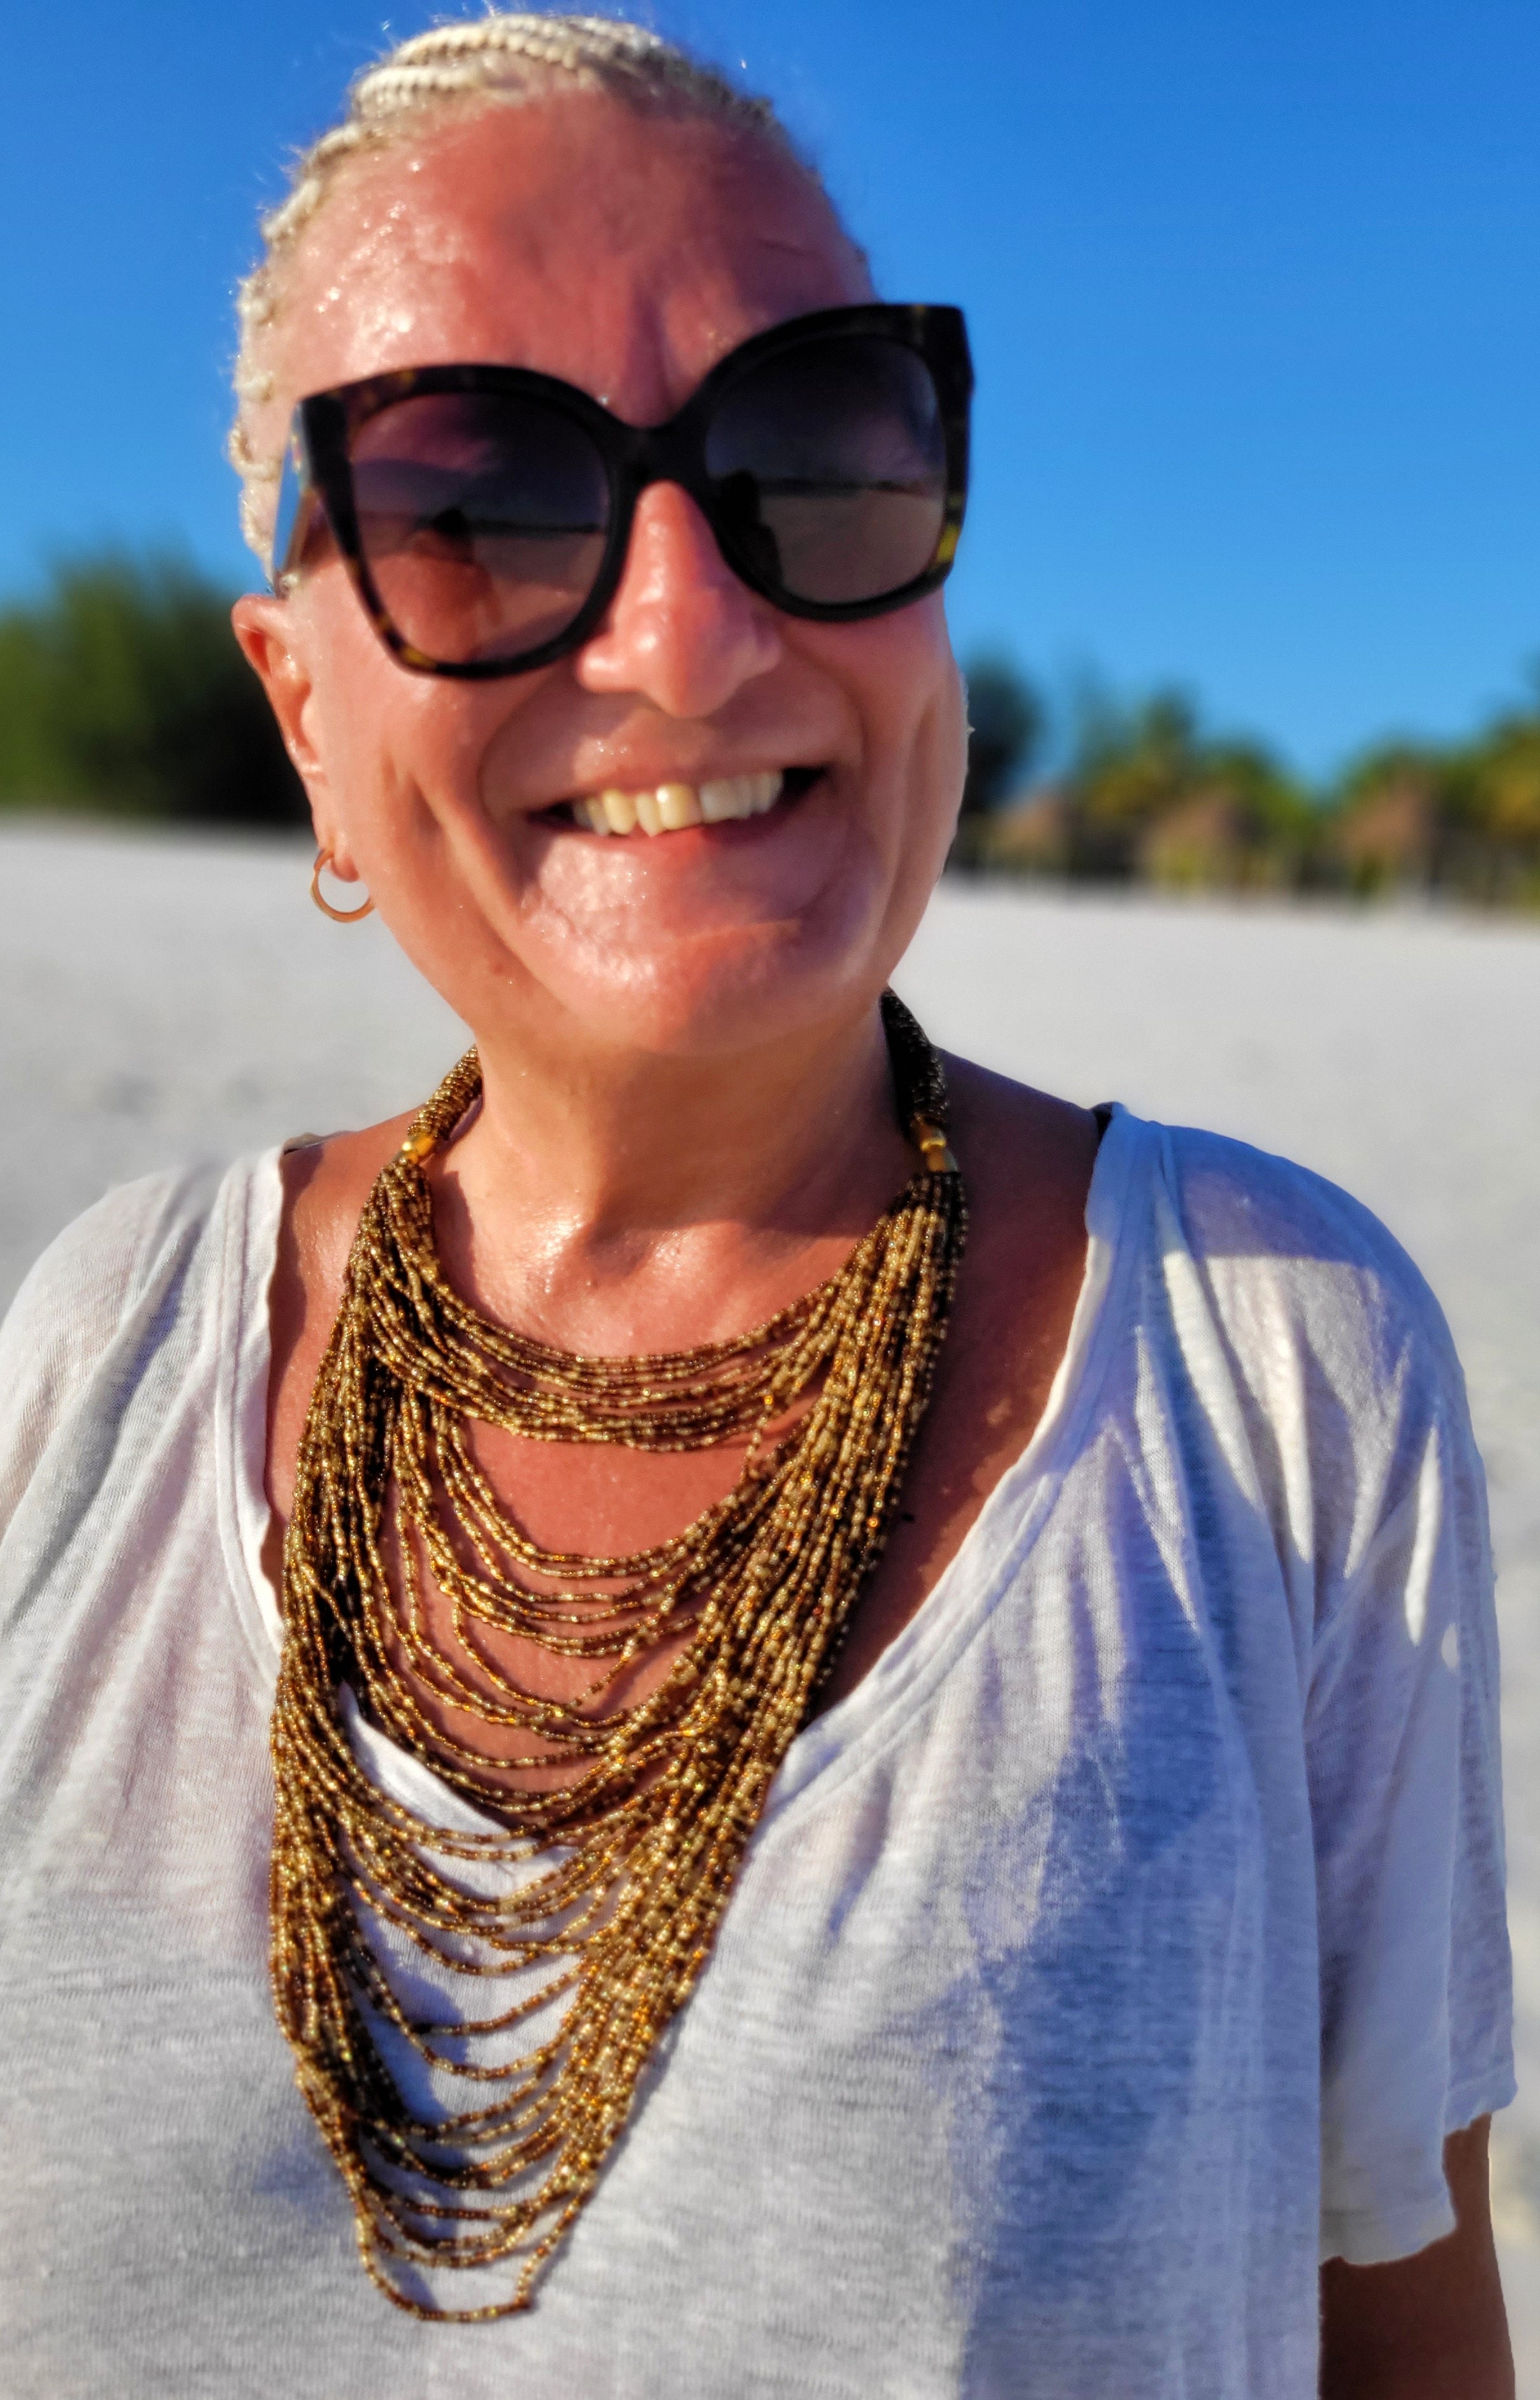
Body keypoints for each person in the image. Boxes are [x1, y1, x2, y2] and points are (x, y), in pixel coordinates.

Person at [0, 14, 1515, 2396]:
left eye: (813, 450)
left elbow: (1405, 2326)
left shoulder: (1274, 1373)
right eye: (477, 501)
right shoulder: (95, 1356)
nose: (693, 633)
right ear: (302, 712)